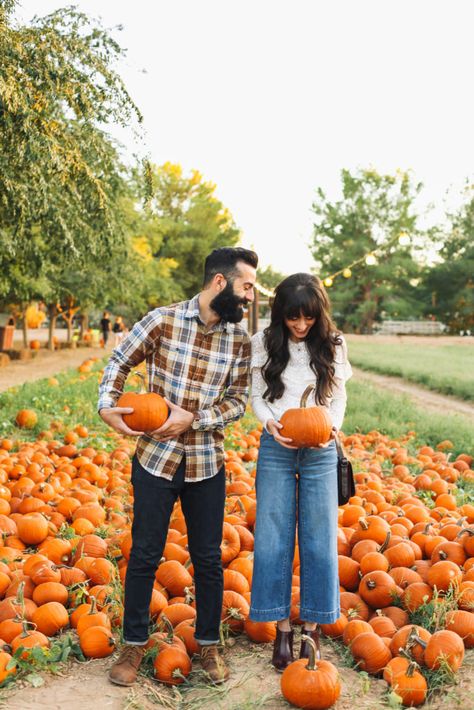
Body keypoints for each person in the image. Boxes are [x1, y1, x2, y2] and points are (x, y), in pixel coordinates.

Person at [98, 247, 258, 686]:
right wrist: (106, 406)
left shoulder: (240, 341)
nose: (249, 297)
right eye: (246, 287)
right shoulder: (162, 321)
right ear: (220, 283)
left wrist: (197, 418)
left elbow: (237, 401)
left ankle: (208, 645)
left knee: (208, 558)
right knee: (146, 553)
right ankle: (133, 645)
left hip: (207, 462)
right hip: (155, 459)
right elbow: (119, 361)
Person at [249, 272, 352, 671]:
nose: (300, 325)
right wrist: (270, 424)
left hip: (321, 448)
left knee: (318, 537)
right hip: (277, 445)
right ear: (280, 315)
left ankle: (311, 629)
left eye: (307, 318)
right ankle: (281, 629)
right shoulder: (263, 342)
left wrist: (332, 427)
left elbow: (339, 395)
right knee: (273, 536)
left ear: (318, 314)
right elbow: (257, 396)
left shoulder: (334, 344)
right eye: (293, 318)